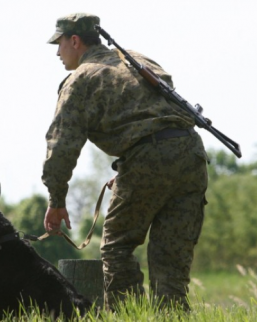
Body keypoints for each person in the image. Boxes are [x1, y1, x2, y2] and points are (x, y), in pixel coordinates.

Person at [42, 13, 208, 310]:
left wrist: (56, 200)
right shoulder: (136, 59)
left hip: (148, 158)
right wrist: (137, 163)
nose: (57, 52)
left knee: (117, 249)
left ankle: (128, 316)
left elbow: (61, 146)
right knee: (170, 259)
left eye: (60, 43)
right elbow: (160, 108)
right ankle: (171, 317)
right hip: (190, 153)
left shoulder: (79, 80)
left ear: (75, 41)